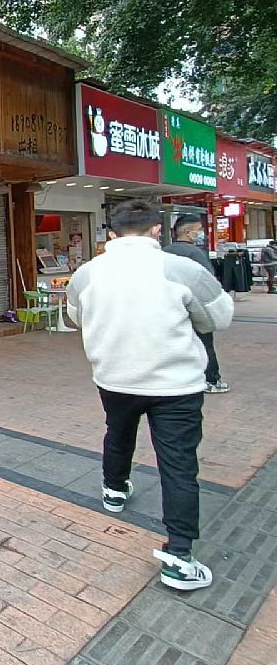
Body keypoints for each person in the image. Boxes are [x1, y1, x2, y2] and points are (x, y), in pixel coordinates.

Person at [66, 200, 233, 591]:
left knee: (118, 433)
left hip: (114, 379)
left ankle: (113, 490)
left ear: (111, 233)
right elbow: (219, 317)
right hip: (175, 386)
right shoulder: (182, 269)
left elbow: (76, 316)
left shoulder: (87, 273)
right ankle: (179, 557)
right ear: (157, 230)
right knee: (178, 465)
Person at [164, 215, 228, 394]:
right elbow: (208, 281)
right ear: (187, 232)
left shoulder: (164, 251)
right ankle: (211, 380)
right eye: (199, 230)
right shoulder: (195, 253)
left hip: (170, 306)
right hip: (194, 306)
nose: (201, 234)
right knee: (205, 343)